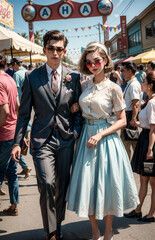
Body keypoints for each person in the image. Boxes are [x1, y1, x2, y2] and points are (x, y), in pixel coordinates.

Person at [11, 30, 83, 240]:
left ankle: (57, 225)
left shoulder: (74, 77)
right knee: (47, 182)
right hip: (41, 140)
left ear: (64, 51)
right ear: (44, 50)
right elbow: (23, 113)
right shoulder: (31, 77)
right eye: (51, 48)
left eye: (59, 49)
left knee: (62, 186)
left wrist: (76, 131)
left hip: (66, 139)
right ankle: (51, 231)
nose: (55, 52)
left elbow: (78, 110)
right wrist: (17, 142)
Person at [66, 42, 139, 240]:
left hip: (105, 140)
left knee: (106, 188)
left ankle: (107, 232)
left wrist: (100, 134)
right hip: (85, 140)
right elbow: (84, 107)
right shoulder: (84, 85)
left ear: (105, 61)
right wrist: (76, 108)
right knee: (87, 186)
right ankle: (94, 231)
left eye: (97, 60)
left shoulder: (114, 88)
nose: (93, 65)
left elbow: (122, 121)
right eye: (89, 62)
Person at [124, 71, 155, 222]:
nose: (140, 84)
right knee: (146, 179)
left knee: (150, 180)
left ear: (150, 85)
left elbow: (153, 129)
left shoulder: (153, 102)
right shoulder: (150, 100)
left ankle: (149, 213)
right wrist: (137, 123)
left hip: (149, 143)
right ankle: (139, 210)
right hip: (146, 140)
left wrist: (150, 149)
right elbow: (149, 124)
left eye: (143, 82)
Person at [0, 54, 19, 216]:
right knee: (11, 171)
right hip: (13, 132)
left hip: (3, 133)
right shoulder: (10, 79)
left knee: (1, 170)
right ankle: (13, 206)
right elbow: (17, 106)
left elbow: (5, 110)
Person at [11, 57, 32, 179]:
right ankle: (24, 166)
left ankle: (22, 166)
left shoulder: (16, 75)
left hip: (21, 108)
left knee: (17, 139)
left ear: (14, 64)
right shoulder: (28, 73)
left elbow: (16, 95)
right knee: (25, 136)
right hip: (30, 107)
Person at [120, 61, 141, 160]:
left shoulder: (133, 85)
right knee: (128, 142)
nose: (122, 73)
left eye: (123, 71)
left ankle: (129, 165)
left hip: (130, 116)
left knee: (128, 142)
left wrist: (133, 118)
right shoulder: (131, 83)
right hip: (128, 115)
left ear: (129, 71)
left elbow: (136, 104)